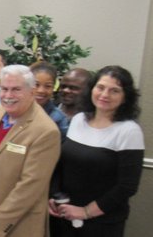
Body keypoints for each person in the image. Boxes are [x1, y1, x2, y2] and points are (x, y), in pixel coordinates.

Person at [49, 66, 144, 237]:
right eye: (100, 87)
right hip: (64, 213)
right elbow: (61, 163)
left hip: (100, 222)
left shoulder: (129, 131)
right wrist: (53, 196)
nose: (105, 95)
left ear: (125, 98)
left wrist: (85, 212)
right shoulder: (79, 119)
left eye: (114, 91)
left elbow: (127, 187)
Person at [0, 65, 60, 237]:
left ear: (31, 91)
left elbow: (30, 188)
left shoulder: (46, 131)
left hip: (15, 225)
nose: (8, 96)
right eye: (4, 89)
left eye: (16, 90)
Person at [30, 61, 69, 140]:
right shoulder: (16, 111)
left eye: (48, 86)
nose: (41, 90)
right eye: (36, 84)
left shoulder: (58, 118)